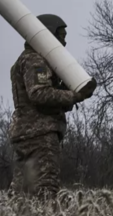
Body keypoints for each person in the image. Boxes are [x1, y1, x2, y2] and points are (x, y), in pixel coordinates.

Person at [9, 14, 97, 197]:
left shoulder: (26, 59)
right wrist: (74, 95)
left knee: (21, 191)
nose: (64, 42)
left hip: (26, 134)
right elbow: (39, 94)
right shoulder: (35, 60)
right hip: (40, 134)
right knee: (45, 188)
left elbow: (42, 96)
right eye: (61, 36)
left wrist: (67, 88)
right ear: (48, 35)